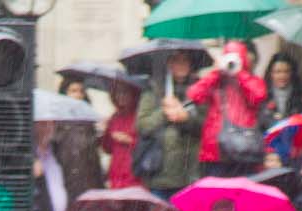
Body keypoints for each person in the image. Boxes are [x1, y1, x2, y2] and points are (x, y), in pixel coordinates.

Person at [185, 39, 265, 178]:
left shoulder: (252, 80)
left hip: (244, 148)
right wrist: (215, 72)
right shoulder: (215, 81)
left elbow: (258, 96)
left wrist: (240, 74)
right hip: (215, 150)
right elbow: (194, 95)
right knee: (217, 195)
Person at [135, 48, 203, 199]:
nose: (181, 65)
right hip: (161, 175)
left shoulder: (200, 90)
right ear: (168, 64)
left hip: (190, 172)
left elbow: (206, 126)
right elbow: (143, 126)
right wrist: (164, 112)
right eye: (176, 60)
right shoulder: (154, 90)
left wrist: (185, 118)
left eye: (185, 60)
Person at [103, 80, 143, 189]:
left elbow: (148, 145)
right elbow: (107, 149)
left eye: (125, 92)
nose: (121, 96)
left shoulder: (139, 116)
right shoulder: (114, 117)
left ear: (133, 94)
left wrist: (129, 140)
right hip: (116, 174)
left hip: (134, 173)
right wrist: (105, 131)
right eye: (117, 93)